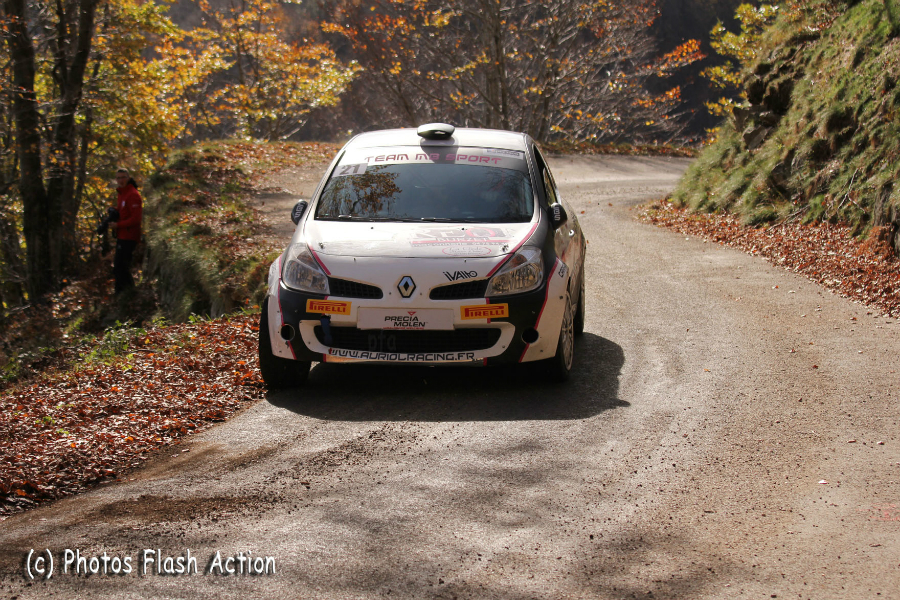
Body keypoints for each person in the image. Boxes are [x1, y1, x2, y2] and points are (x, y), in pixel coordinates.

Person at [110, 168, 143, 294]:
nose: (120, 180)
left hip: (129, 236)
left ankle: (127, 294)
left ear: (128, 178)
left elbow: (136, 219)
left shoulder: (132, 194)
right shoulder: (122, 193)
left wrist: (118, 225)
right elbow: (123, 212)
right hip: (122, 235)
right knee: (120, 267)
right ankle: (125, 294)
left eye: (123, 177)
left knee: (121, 266)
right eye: (118, 178)